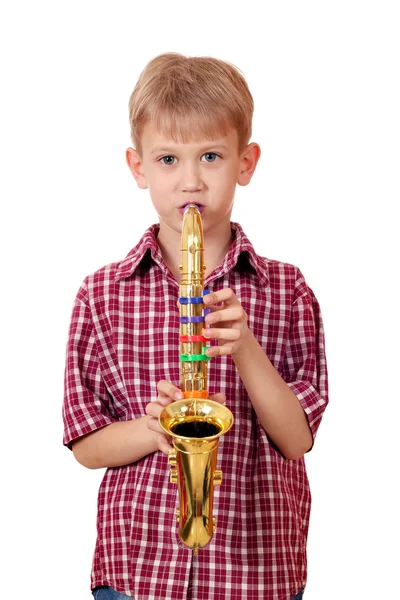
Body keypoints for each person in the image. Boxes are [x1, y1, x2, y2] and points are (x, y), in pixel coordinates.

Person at [62, 52, 328, 600]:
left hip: (258, 573)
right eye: (167, 159)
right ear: (137, 167)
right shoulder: (100, 295)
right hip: (139, 572)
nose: (190, 181)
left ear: (246, 163)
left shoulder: (288, 289)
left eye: (210, 156)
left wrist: (246, 347)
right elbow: (86, 444)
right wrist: (154, 431)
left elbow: (297, 440)